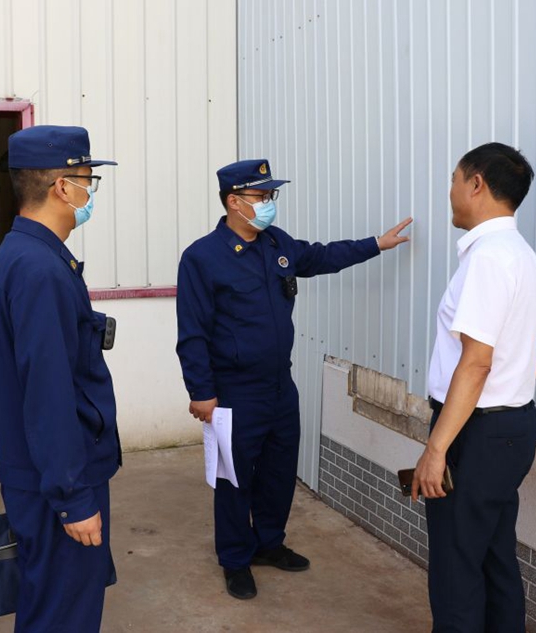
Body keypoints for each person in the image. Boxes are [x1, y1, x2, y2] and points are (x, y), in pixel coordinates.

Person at [175, 158, 413, 600]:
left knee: (279, 471)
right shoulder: (202, 258)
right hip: (235, 390)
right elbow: (192, 331)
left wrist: (375, 244)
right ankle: (235, 558)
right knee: (234, 478)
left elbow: (321, 256)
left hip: (280, 386)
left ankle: (269, 542)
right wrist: (201, 392)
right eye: (261, 196)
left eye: (271, 195)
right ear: (234, 202)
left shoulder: (276, 243)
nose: (269, 203)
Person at [0, 125, 121, 632]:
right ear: (62, 187)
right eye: (87, 179)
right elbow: (48, 394)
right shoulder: (38, 268)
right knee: (63, 615)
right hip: (58, 480)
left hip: (45, 472)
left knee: (51, 605)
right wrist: (73, 499)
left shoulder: (27, 255)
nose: (90, 192)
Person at [412, 142, 536, 631]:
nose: (450, 191)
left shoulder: (488, 259)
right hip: (510, 428)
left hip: (475, 433)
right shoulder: (523, 256)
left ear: (476, 184)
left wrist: (437, 449)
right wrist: (505, 401)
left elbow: (475, 364)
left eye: (454, 180)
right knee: (494, 558)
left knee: (457, 569)